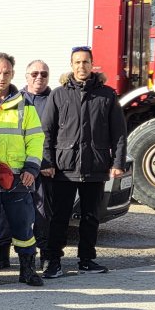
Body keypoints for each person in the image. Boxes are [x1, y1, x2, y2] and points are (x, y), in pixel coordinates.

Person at [41, 46, 127, 276]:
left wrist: (118, 163)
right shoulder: (58, 94)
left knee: (90, 217)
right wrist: (47, 162)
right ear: (71, 65)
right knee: (59, 217)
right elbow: (47, 132)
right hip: (65, 167)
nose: (82, 66)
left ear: (92, 64)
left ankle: (87, 260)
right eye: (77, 62)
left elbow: (119, 133)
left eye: (86, 62)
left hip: (95, 166)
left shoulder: (107, 95)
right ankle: (53, 261)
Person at [0, 53, 45, 288]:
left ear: (13, 74)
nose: (1, 77)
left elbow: (35, 139)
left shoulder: (25, 105)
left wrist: (31, 168)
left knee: (23, 226)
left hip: (18, 178)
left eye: (6, 73)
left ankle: (27, 270)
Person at [0, 60, 53, 270]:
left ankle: (42, 257)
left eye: (44, 74)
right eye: (34, 74)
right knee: (4, 216)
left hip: (41, 168)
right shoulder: (15, 100)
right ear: (26, 76)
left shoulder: (53, 100)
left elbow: (52, 135)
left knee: (41, 214)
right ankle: (1, 255)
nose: (39, 78)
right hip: (12, 171)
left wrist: (44, 163)